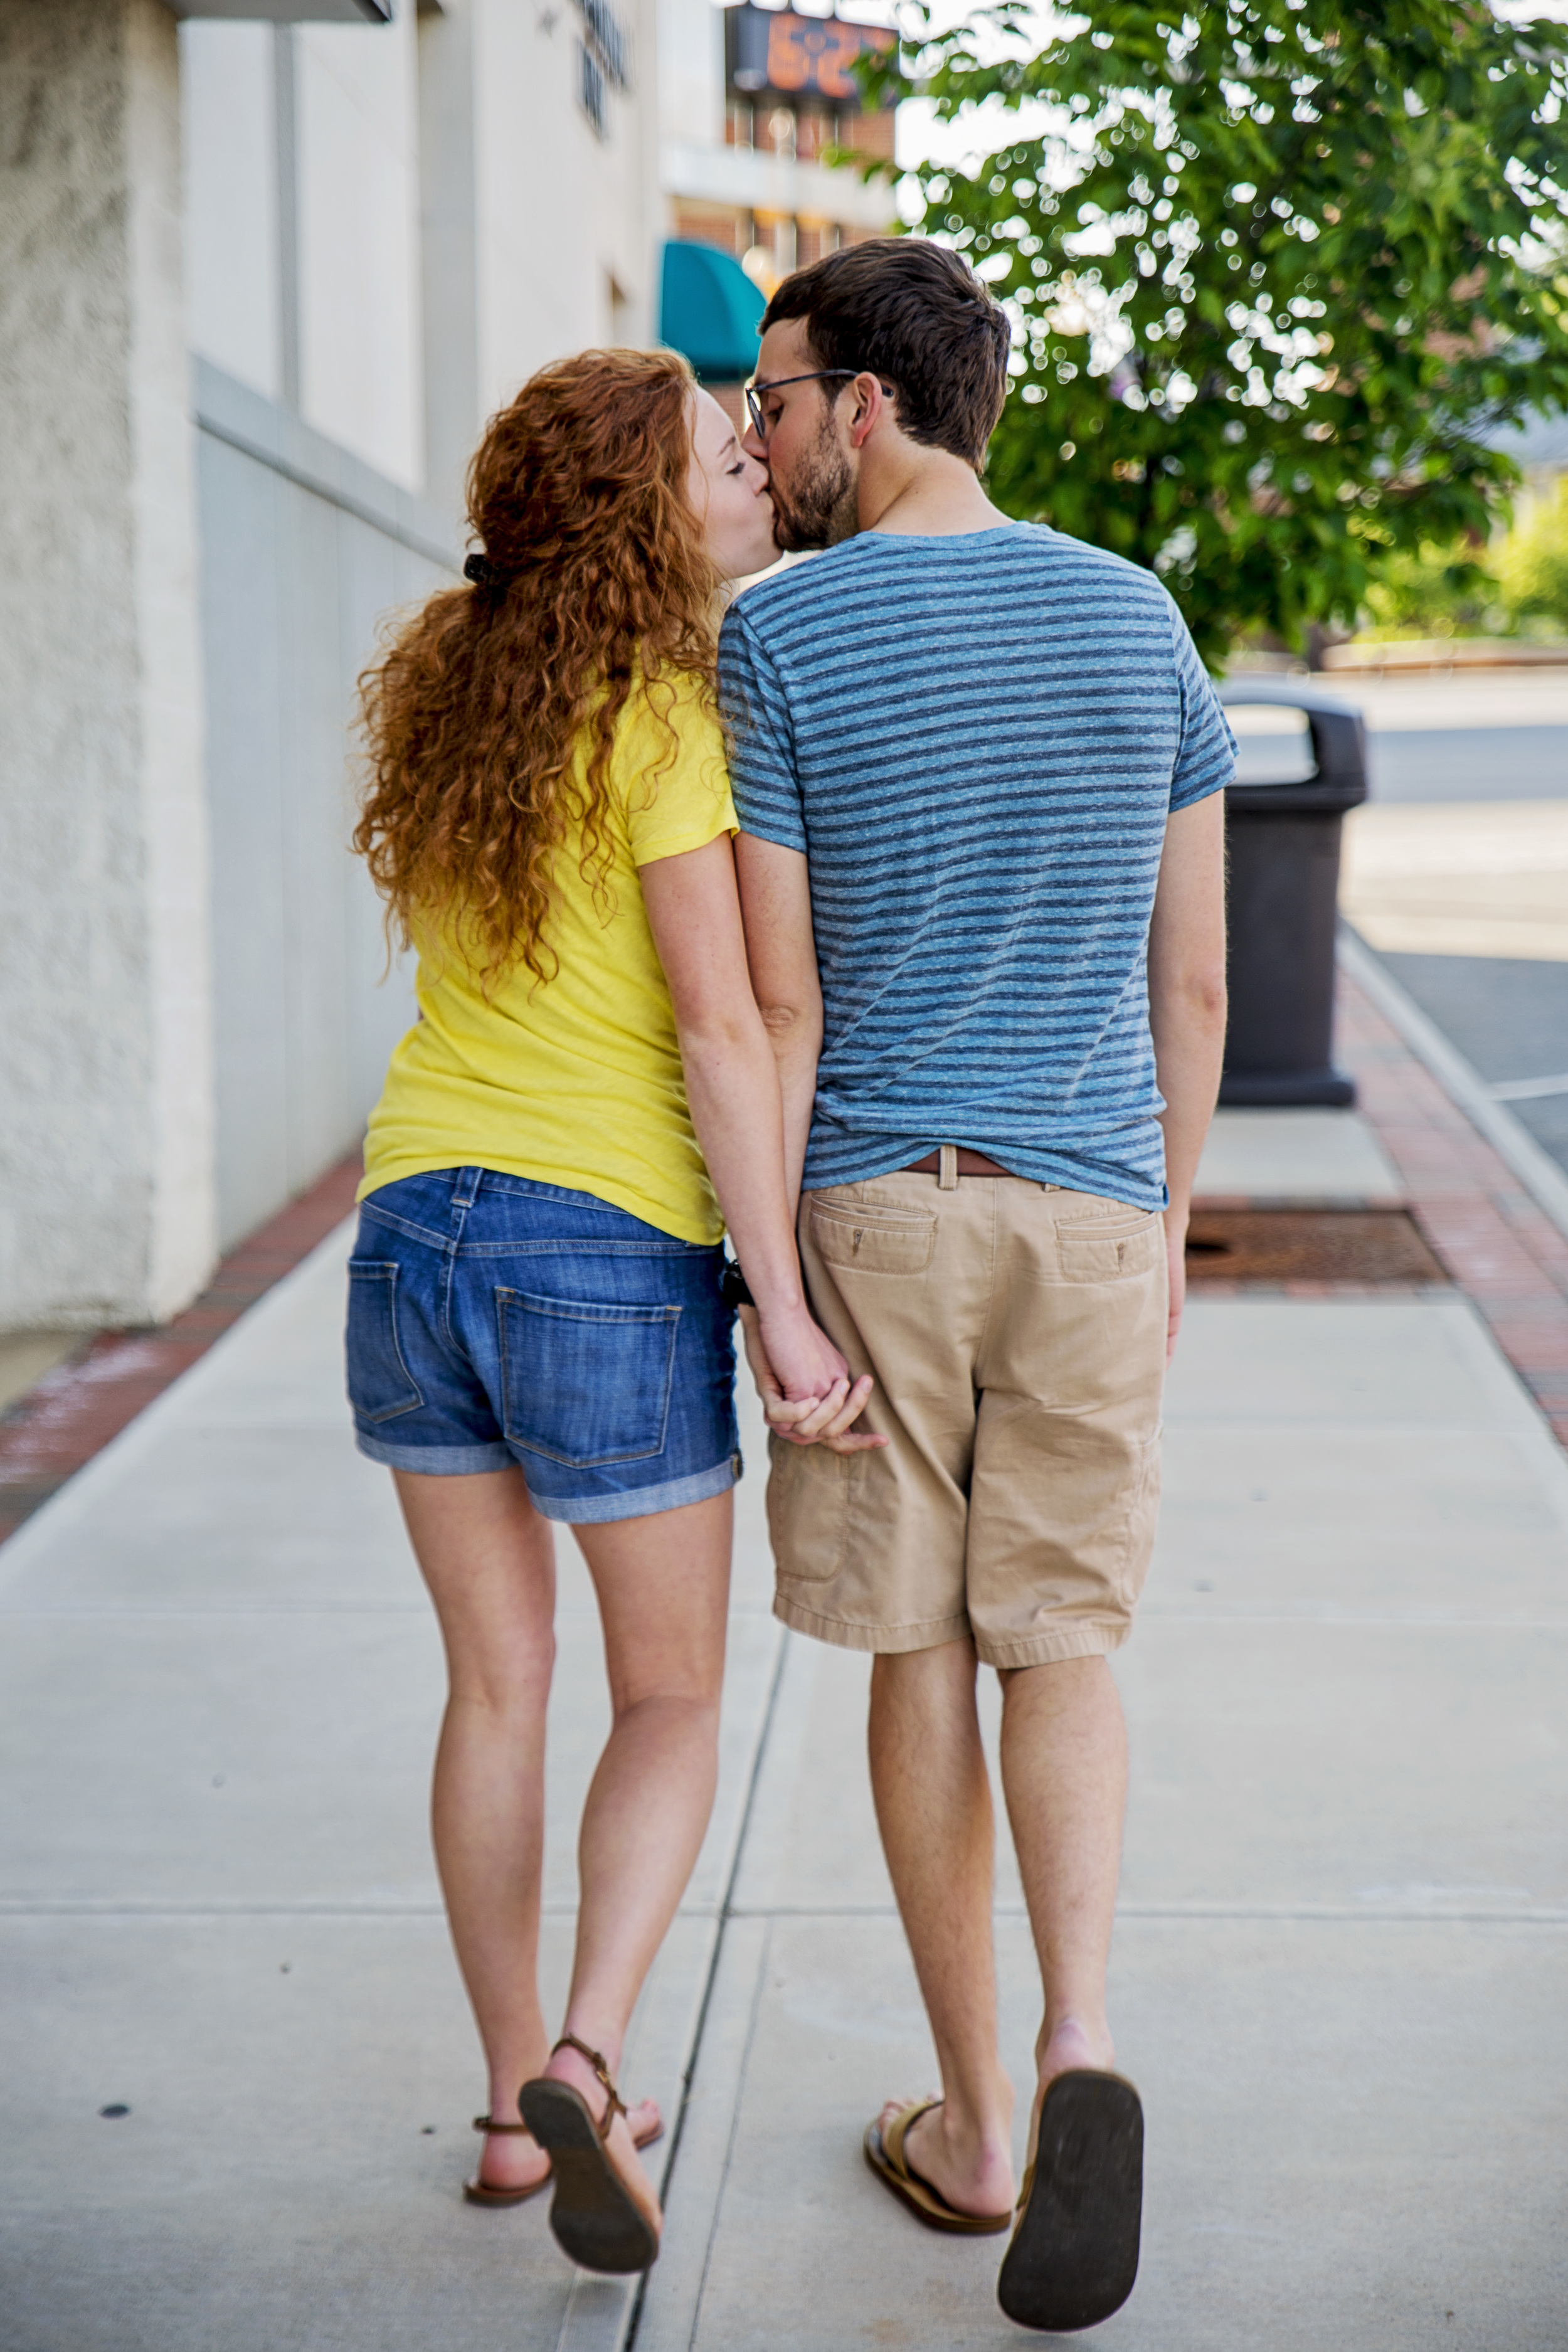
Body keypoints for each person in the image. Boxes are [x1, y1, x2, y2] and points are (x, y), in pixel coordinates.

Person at [722, 240, 1232, 2333]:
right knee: (1066, 1638)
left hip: (887, 1214)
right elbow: (1187, 973)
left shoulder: (778, 637)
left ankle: (967, 2129)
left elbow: (773, 1000)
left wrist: (777, 1290)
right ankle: (1075, 2040)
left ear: (865, 404)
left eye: (771, 397)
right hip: (1095, 1206)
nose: (754, 434)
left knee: (914, 1653)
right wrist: (1166, 1221)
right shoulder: (1138, 617)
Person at [347, 349, 871, 2279]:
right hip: (597, 1242)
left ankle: (509, 2115)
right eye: (728, 462)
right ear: (650, 512)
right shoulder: (668, 709)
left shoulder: (450, 674)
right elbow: (723, 1026)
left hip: (409, 1233)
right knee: (666, 1696)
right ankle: (589, 2052)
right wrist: (783, 1304)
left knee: (495, 1688)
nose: (758, 475)